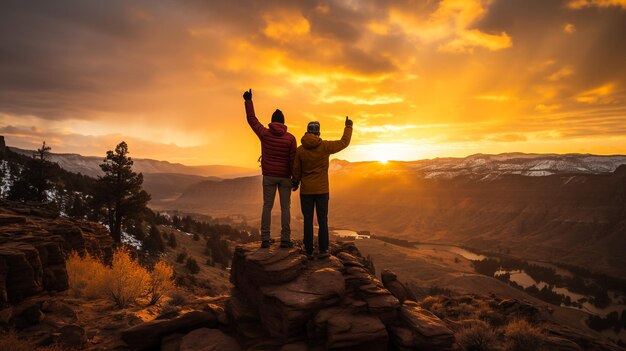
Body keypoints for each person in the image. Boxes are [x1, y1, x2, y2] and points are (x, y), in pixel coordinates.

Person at [292, 116, 353, 259]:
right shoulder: (325, 146)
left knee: (308, 220)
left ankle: (308, 250)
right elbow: (343, 143)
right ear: (318, 132)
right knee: (322, 220)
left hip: (306, 191)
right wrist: (348, 127)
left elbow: (296, 170)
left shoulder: (300, 150)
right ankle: (324, 250)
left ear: (307, 132)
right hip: (322, 191)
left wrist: (295, 182)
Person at [243, 89, 297, 249]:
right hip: (285, 177)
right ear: (283, 122)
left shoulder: (265, 134)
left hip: (269, 176)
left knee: (267, 206)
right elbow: (293, 159)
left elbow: (252, 120)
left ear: (272, 121)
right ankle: (285, 239)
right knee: (285, 207)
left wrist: (248, 101)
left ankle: (265, 239)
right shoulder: (290, 138)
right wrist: (295, 178)